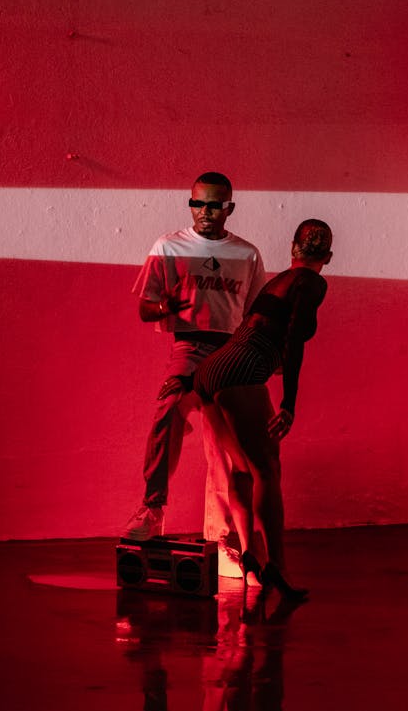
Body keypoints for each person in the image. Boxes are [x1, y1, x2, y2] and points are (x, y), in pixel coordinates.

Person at [189, 219, 332, 601]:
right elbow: (294, 341)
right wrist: (289, 401)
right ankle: (276, 568)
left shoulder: (278, 280)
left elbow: (255, 328)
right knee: (267, 468)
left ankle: (250, 551)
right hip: (241, 370)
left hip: (213, 370)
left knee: (242, 468)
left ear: (292, 249)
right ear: (327, 257)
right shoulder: (312, 283)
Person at [124, 172, 267, 540]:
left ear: (228, 208)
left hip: (230, 350)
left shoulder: (246, 253)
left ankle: (223, 535)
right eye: (198, 203)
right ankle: (152, 509)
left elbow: (255, 315)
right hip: (190, 345)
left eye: (214, 204)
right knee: (167, 409)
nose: (205, 211)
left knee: (226, 443)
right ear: (190, 204)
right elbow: (144, 309)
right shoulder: (168, 247)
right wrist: (162, 307)